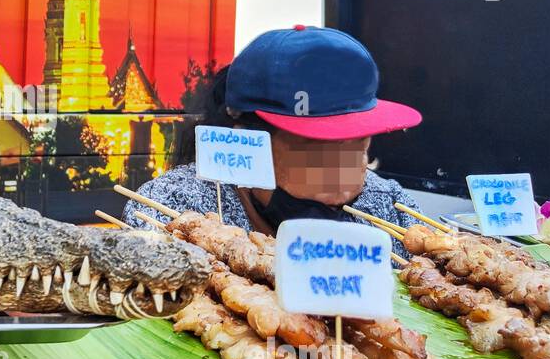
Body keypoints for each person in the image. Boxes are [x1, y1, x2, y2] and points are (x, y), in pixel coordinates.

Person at [123, 26, 422, 251]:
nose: (341, 187)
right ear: (246, 139)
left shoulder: (391, 210)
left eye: (358, 145)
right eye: (317, 150)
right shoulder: (170, 209)